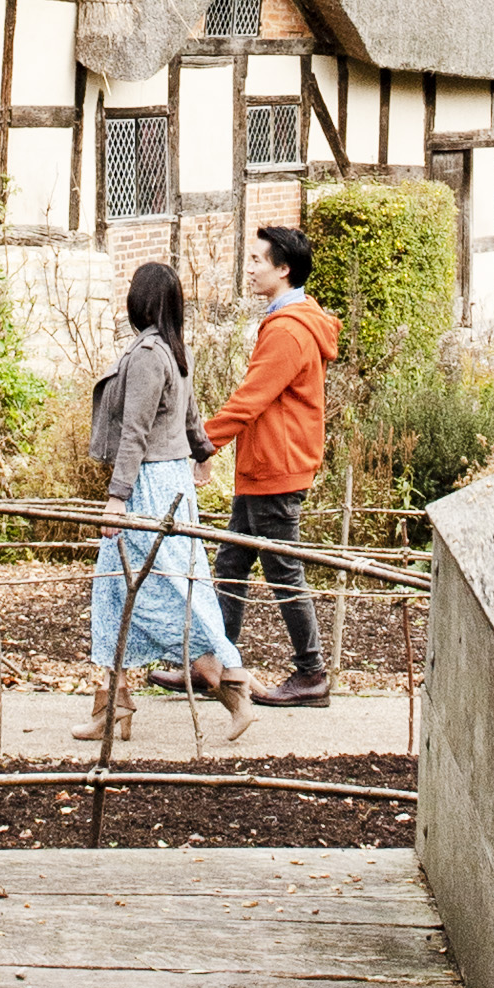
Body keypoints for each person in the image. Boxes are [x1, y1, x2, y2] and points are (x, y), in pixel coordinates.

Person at [87, 255, 246, 740]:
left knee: (162, 590)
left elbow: (135, 433)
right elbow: (192, 418)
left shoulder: (147, 358)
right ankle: (111, 708)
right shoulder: (175, 352)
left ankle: (228, 680)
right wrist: (201, 454)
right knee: (115, 590)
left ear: (139, 302)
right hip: (169, 479)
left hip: (148, 488)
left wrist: (117, 498)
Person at [204, 222, 340, 704]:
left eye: (258, 260)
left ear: (284, 270)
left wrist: (203, 444)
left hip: (275, 467)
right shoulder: (290, 320)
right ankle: (215, 664)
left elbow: (250, 398)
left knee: (282, 569)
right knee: (233, 560)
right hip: (265, 463)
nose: (250, 267)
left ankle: (312, 674)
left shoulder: (289, 331)